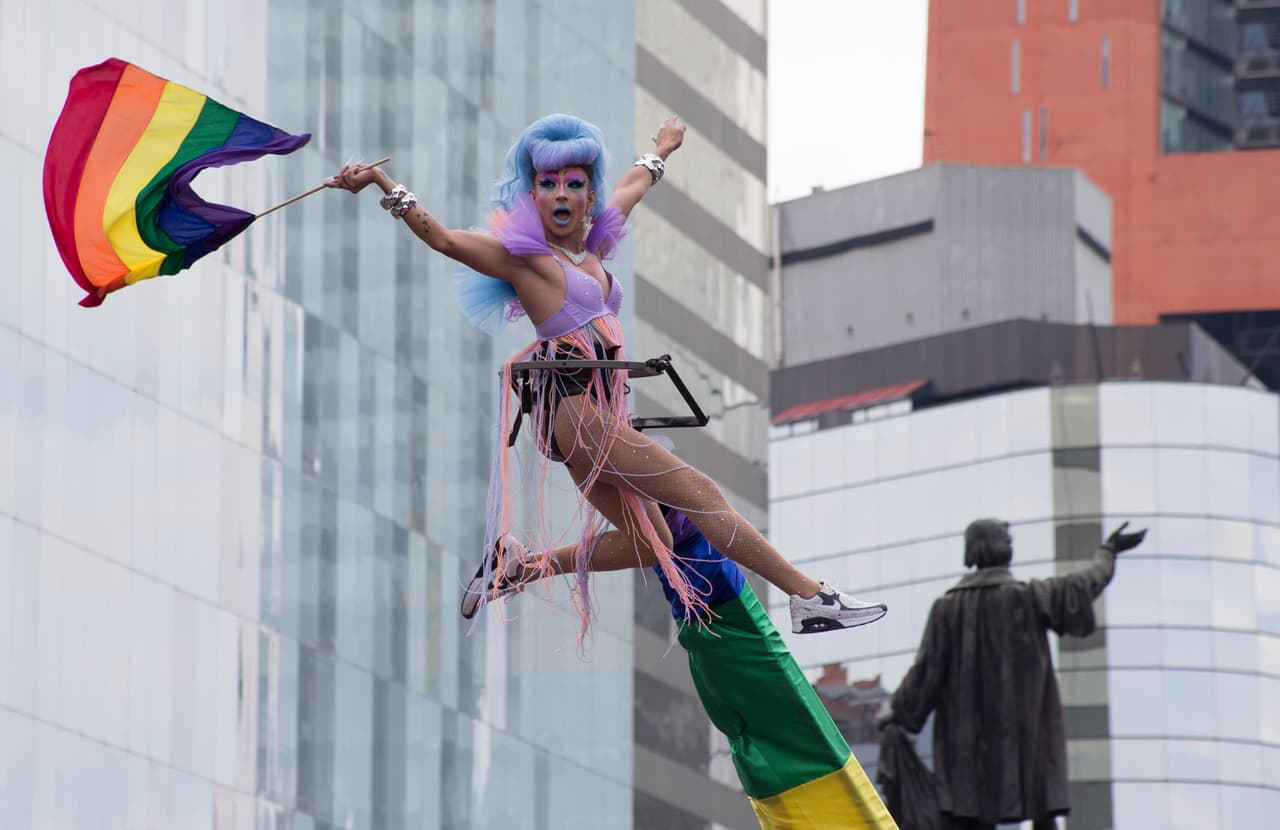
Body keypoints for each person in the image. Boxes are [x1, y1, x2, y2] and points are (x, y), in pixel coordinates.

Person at [326, 114, 885, 640]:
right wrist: (380, 181)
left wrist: (661, 149)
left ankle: (522, 566)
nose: (561, 193)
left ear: (588, 195)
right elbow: (445, 239)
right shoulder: (528, 261)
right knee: (700, 493)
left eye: (573, 183)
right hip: (579, 415)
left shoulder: (593, 248)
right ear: (533, 194)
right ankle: (809, 596)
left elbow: (633, 187)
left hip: (595, 418)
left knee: (653, 541)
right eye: (548, 184)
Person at [876, 519, 1147, 830]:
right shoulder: (1030, 597)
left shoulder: (948, 608)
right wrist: (1107, 552)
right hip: (1028, 742)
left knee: (967, 815)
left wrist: (894, 712)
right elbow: (1084, 584)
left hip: (966, 755)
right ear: (988, 544)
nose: (1011, 543)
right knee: (1041, 812)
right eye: (1005, 537)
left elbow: (923, 675)